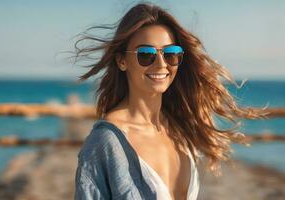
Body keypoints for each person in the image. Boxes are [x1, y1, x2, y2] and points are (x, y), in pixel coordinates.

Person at [73, 3, 267, 200]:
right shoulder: (104, 144)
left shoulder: (179, 128)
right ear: (122, 61)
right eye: (146, 55)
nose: (161, 64)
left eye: (170, 53)